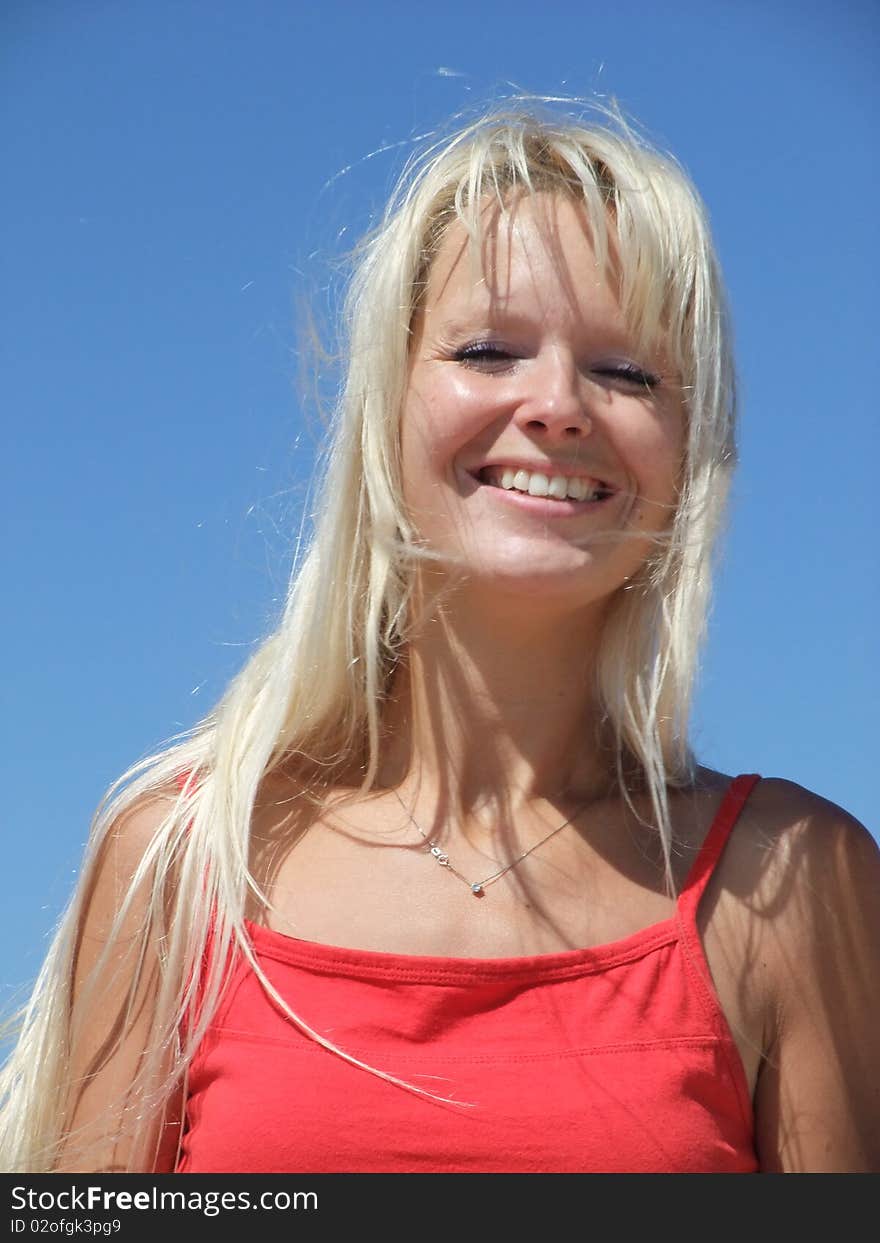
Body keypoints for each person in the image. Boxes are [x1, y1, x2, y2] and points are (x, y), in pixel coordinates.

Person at [2, 100, 878, 1176]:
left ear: (691, 443)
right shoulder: (184, 863)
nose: (557, 404)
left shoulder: (791, 880)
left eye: (627, 371)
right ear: (385, 407)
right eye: (487, 348)